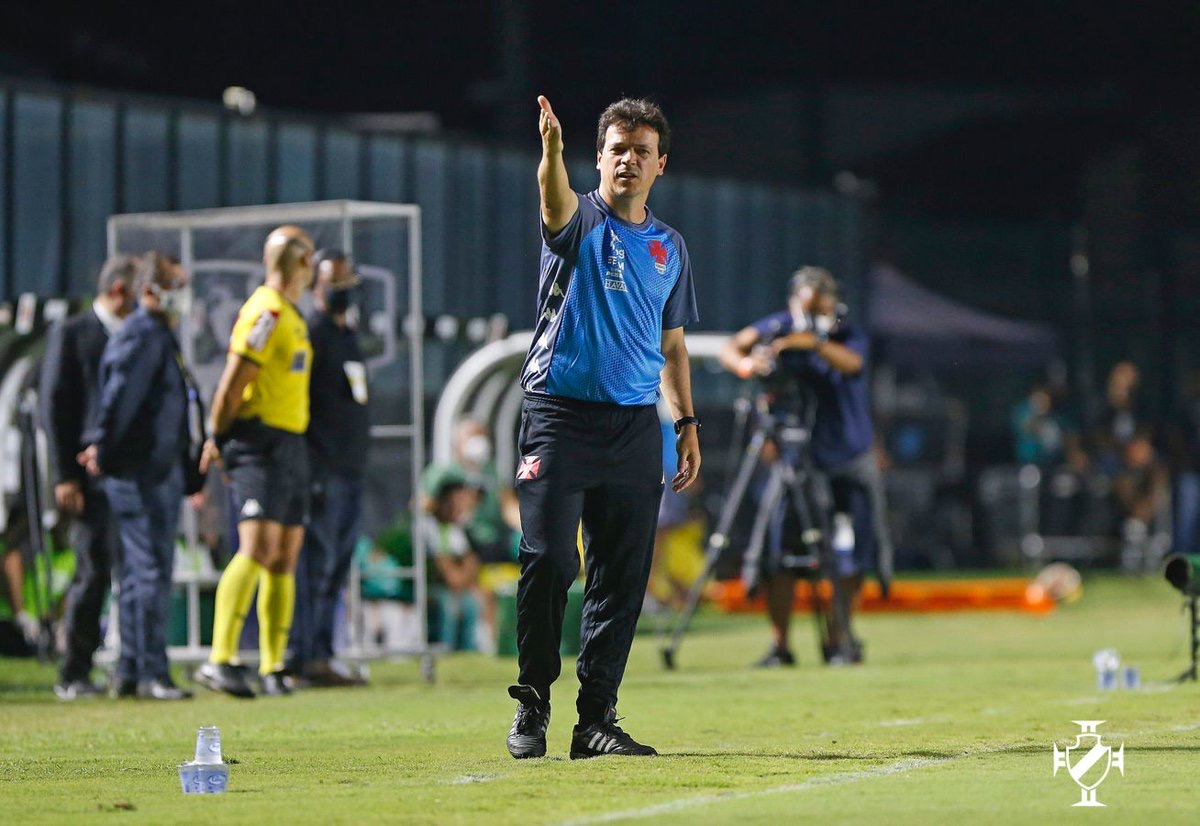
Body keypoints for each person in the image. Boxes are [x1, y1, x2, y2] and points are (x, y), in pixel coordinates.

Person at [505, 95, 700, 761]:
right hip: (557, 417)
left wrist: (687, 423)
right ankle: (533, 702)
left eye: (640, 151)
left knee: (622, 577)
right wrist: (551, 152)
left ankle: (596, 721)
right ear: (600, 157)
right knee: (551, 559)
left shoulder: (669, 248)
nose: (628, 159)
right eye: (617, 148)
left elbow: (672, 345)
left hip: (633, 429)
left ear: (660, 165)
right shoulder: (579, 218)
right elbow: (551, 200)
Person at [719, 267, 891, 667]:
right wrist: (753, 364)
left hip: (848, 457)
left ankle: (840, 637)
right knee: (778, 548)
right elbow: (733, 348)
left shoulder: (846, 331)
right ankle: (780, 645)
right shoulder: (779, 327)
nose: (812, 312)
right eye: (806, 304)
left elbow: (852, 364)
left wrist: (812, 344)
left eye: (820, 304)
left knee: (852, 552)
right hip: (796, 458)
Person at [196, 225, 314, 698]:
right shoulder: (264, 311)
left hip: (290, 444)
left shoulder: (290, 314)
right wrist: (217, 436)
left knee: (284, 555)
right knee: (255, 548)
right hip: (257, 442)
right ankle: (220, 658)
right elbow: (231, 382)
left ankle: (272, 665)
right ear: (301, 264)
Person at [78, 252, 196, 700]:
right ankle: (151, 672)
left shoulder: (157, 335)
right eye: (175, 285)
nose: (183, 295)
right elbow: (119, 401)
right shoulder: (144, 335)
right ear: (150, 290)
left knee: (134, 572)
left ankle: (130, 671)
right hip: (142, 471)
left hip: (152, 468)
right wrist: (105, 449)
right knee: (149, 572)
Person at [39, 255, 138, 699]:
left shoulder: (137, 335)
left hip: (131, 475)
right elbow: (53, 408)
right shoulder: (73, 333)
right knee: (93, 569)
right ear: (119, 290)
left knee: (133, 572)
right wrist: (64, 475)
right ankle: (73, 671)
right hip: (88, 478)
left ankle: (129, 665)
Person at [287, 248, 369, 687]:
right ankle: (302, 656)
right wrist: (310, 469)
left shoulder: (346, 333)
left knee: (336, 566)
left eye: (345, 284)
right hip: (323, 469)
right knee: (315, 565)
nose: (341, 293)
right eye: (332, 284)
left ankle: (321, 653)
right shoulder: (310, 333)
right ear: (315, 286)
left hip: (350, 470)